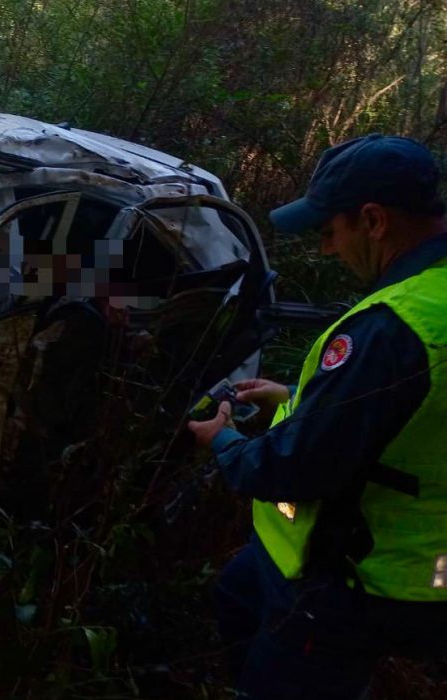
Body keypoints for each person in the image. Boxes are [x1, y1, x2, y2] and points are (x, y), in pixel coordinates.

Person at [187, 133, 447, 699]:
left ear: (374, 220)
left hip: (359, 577)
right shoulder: (433, 298)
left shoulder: (390, 328)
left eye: (331, 232)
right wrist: (295, 397)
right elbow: (416, 409)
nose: (328, 249)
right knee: (238, 592)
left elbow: (293, 468)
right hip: (423, 561)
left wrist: (223, 439)